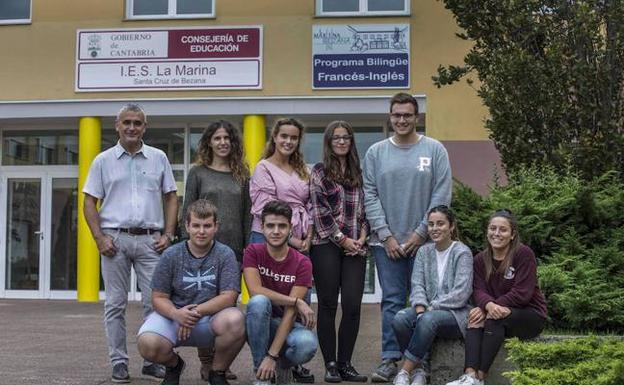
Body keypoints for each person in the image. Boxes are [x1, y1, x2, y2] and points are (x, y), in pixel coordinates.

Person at [83, 103, 178, 383]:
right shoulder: (102, 160)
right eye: (127, 122)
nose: (132, 127)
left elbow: (171, 196)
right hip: (115, 239)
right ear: (117, 125)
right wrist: (99, 238)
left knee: (155, 303)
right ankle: (119, 362)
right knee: (115, 304)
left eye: (138, 123)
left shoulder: (159, 158)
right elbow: (89, 201)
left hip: (151, 241)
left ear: (145, 127)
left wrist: (169, 234)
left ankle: (152, 361)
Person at [363, 92, 452, 382]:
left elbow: (441, 194)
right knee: (391, 300)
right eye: (396, 115)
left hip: (425, 244)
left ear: (417, 117)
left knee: (423, 300)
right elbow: (370, 195)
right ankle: (390, 359)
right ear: (390, 117)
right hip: (384, 244)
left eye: (407, 115)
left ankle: (421, 363)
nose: (401, 120)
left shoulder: (434, 149)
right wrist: (386, 236)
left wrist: (420, 233)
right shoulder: (376, 152)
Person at [136, 199, 245, 385]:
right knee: (147, 343)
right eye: (196, 225)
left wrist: (194, 313)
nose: (201, 231)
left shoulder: (225, 254)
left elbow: (229, 296)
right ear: (187, 226)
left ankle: (217, 372)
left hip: (210, 318)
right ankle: (174, 366)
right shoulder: (171, 254)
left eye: (207, 226)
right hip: (175, 318)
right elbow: (158, 297)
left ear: (216, 227)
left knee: (236, 320)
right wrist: (176, 314)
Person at [181, 120, 251, 381]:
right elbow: (187, 209)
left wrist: (246, 249)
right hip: (202, 249)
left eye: (227, 138)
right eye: (218, 138)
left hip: (232, 251)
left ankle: (222, 361)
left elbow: (247, 214)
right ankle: (206, 361)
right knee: (203, 303)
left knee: (228, 307)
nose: (223, 143)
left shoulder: (242, 174)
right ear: (209, 142)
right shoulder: (198, 173)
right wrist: (185, 246)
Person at [446, 210, 548, 385]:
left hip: (530, 315)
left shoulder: (523, 254)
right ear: (487, 231)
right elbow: (478, 290)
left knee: (493, 317)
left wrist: (490, 307)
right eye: (492, 228)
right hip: (498, 311)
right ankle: (469, 375)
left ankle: (480, 377)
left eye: (503, 230)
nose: (497, 233)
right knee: (475, 317)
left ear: (512, 234)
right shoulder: (479, 259)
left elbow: (522, 293)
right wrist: (487, 306)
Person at [249, 117, 315, 382]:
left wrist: (307, 235)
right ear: (274, 137)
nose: (288, 141)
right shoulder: (264, 167)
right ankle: (261, 368)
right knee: (262, 301)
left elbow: (309, 205)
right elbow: (266, 208)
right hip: (273, 233)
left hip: (300, 237)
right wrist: (289, 237)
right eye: (283, 136)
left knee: (298, 303)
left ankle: (289, 363)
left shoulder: (302, 169)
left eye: (294, 137)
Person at [309, 121, 369, 383]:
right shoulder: (320, 172)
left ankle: (346, 363)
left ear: (351, 141)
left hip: (356, 247)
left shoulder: (360, 172)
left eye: (346, 137)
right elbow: (320, 212)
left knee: (353, 305)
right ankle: (331, 364)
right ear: (329, 142)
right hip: (327, 247)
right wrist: (343, 240)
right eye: (337, 138)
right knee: (328, 305)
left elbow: (366, 211)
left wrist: (362, 237)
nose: (342, 142)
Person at [391, 206, 473, 385]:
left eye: (440, 223)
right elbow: (417, 285)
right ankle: (420, 370)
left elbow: (461, 293)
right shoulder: (424, 251)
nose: (435, 228)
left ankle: (404, 371)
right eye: (431, 224)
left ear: (451, 226)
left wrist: (430, 309)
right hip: (428, 312)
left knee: (429, 320)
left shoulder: (462, 252)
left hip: (456, 315)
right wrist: (420, 310)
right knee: (400, 318)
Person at [243, 200, 318, 385]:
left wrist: (272, 355)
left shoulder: (302, 262)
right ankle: (261, 375)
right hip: (260, 322)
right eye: (270, 225)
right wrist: (295, 301)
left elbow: (290, 315)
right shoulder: (253, 252)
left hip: (289, 324)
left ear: (290, 227)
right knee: (259, 302)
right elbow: (254, 291)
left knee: (306, 345)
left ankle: (280, 365)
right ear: (262, 227)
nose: (276, 231)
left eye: (282, 226)